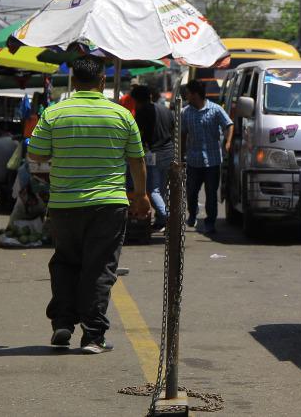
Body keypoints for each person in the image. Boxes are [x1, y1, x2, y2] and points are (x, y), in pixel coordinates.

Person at [27, 56, 151, 354]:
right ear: (102, 82)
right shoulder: (122, 115)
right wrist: (141, 195)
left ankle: (62, 323)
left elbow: (36, 155)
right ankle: (93, 335)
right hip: (108, 205)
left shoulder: (54, 113)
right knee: (99, 268)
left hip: (65, 204)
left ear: (72, 81)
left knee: (65, 262)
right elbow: (137, 160)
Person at [181, 79, 232, 235]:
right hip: (193, 160)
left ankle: (210, 222)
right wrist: (181, 153)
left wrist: (228, 142)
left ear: (195, 94)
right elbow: (183, 134)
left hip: (212, 161)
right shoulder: (186, 112)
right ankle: (192, 212)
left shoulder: (215, 109)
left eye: (188, 93)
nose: (186, 96)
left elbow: (229, 124)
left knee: (211, 194)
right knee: (191, 191)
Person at [131, 85, 175, 233]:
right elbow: (173, 128)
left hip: (154, 153)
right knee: (161, 189)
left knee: (153, 190)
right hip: (169, 152)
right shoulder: (165, 109)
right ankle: (161, 220)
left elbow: (138, 134)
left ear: (136, 100)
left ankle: (167, 217)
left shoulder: (142, 111)